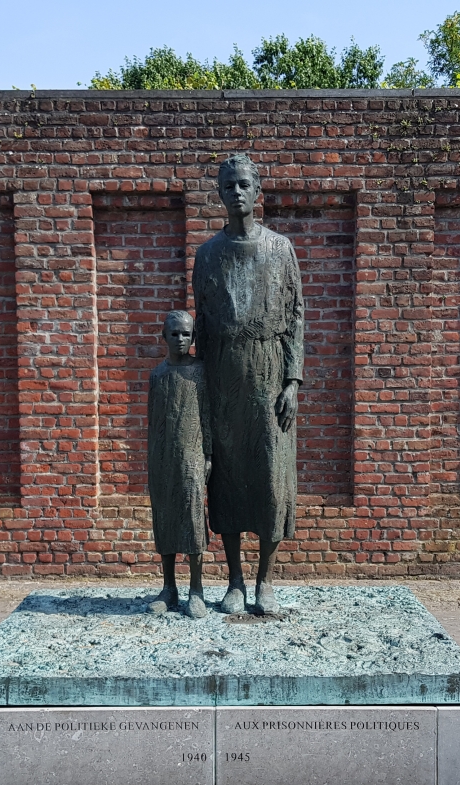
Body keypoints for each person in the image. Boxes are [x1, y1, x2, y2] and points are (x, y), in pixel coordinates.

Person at [193, 155, 304, 615]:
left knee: (271, 481)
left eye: (243, 184)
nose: (235, 192)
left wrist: (293, 380)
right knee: (230, 479)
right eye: (227, 186)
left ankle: (265, 581)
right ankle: (235, 580)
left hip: (270, 374)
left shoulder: (281, 249)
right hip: (223, 375)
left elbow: (297, 316)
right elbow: (200, 320)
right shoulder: (207, 254)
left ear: (257, 191)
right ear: (218, 193)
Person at [146, 309, 212, 619]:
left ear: (194, 337)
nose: (180, 339)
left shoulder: (200, 372)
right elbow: (152, 420)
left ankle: (195, 590)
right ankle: (168, 587)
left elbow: (208, 416)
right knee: (166, 518)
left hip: (192, 455)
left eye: (186, 333)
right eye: (174, 333)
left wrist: (208, 454)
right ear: (164, 336)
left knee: (193, 519)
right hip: (162, 457)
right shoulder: (157, 375)